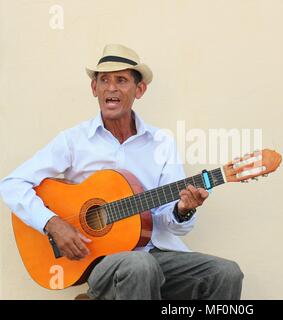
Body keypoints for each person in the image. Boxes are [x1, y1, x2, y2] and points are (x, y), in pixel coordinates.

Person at [0, 44, 243, 300]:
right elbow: (11, 184)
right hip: (102, 263)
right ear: (94, 88)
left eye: (121, 80)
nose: (111, 88)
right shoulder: (73, 141)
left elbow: (168, 224)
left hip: (156, 253)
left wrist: (183, 209)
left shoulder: (162, 142)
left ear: (140, 89)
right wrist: (52, 224)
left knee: (226, 273)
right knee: (139, 266)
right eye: (103, 80)